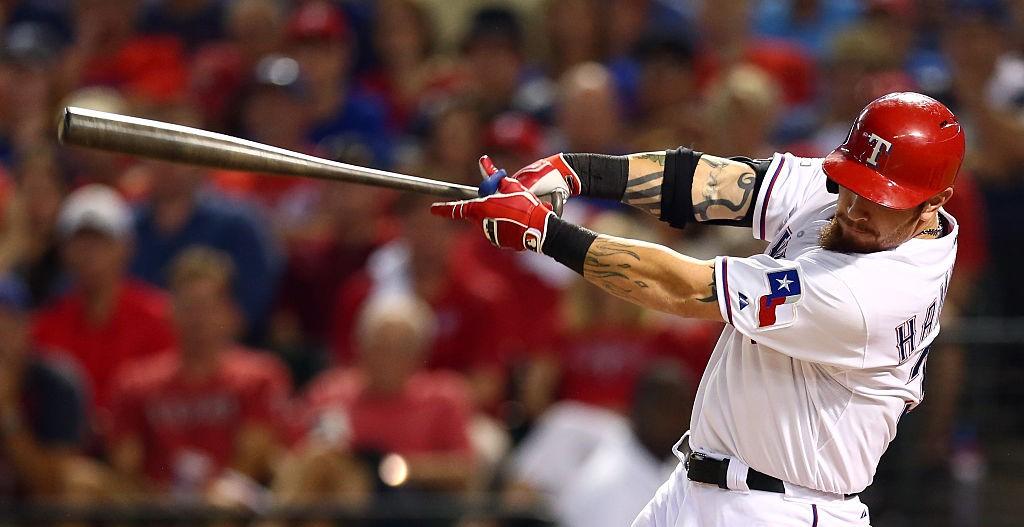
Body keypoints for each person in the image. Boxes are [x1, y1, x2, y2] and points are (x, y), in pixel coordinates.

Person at [430, 91, 964, 525]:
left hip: (784, 511)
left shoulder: (868, 294)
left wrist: (545, 234)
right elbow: (709, 182)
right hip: (696, 487)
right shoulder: (849, 198)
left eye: (879, 200)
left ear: (932, 205)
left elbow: (682, 287)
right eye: (852, 186)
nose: (852, 209)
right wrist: (573, 172)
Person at [109, 247, 291, 499]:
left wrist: (210, 497)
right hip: (155, 507)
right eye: (188, 306)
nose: (198, 318)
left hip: (234, 503)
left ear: (230, 313)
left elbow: (252, 459)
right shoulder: (135, 382)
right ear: (169, 312)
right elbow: (126, 465)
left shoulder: (258, 377)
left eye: (207, 306)